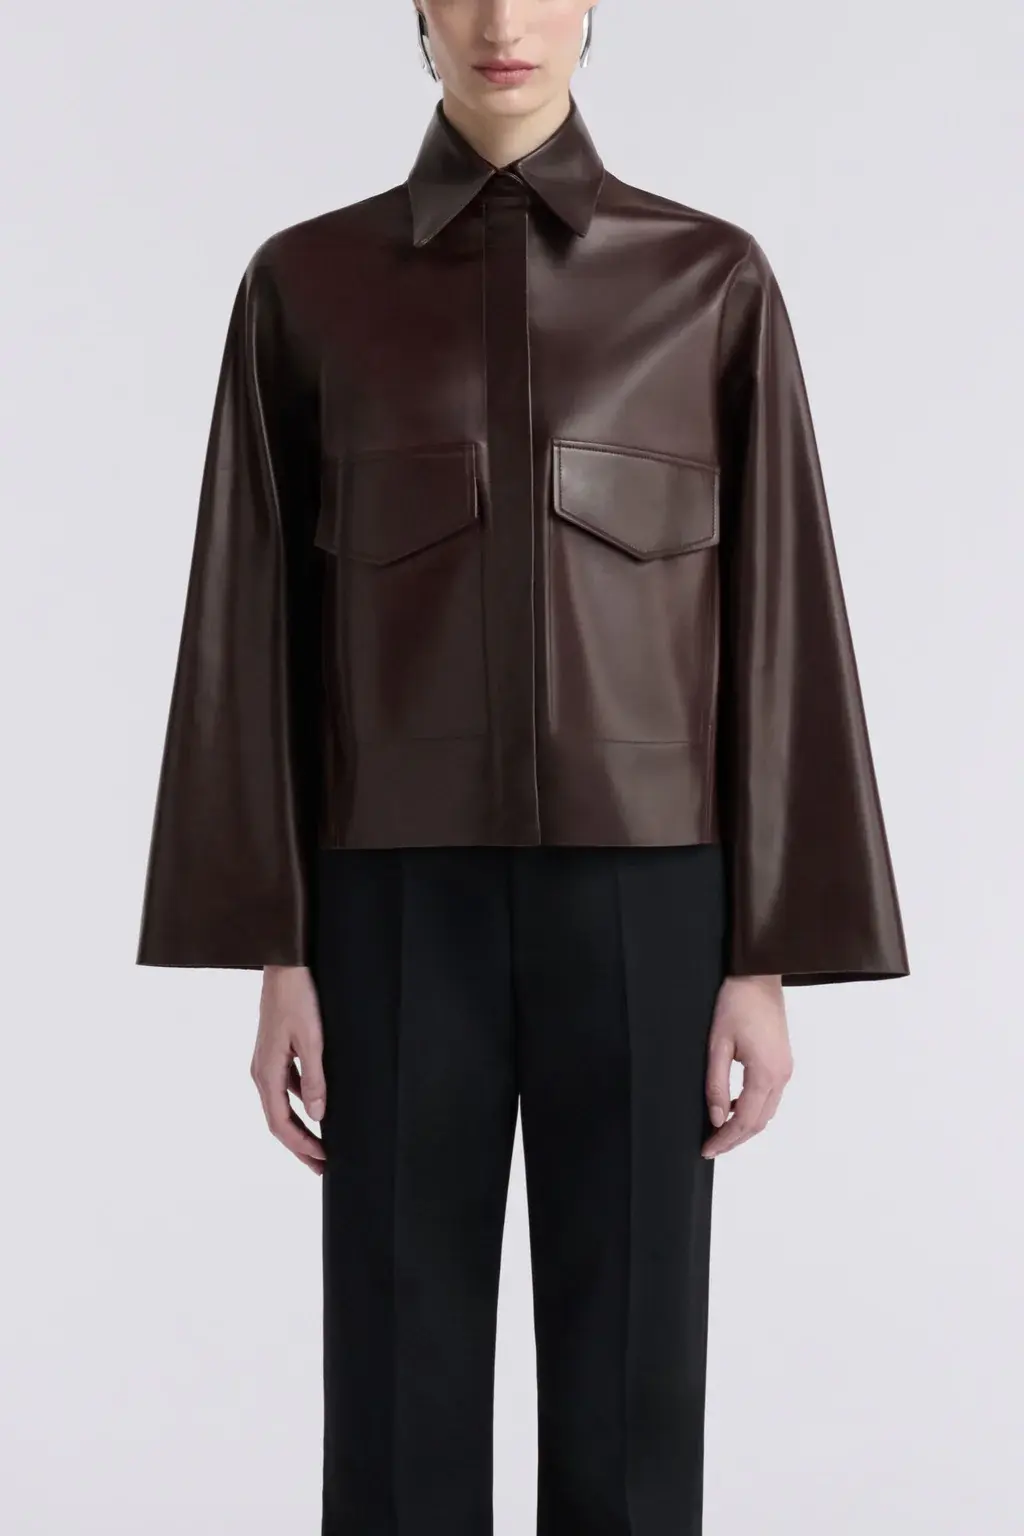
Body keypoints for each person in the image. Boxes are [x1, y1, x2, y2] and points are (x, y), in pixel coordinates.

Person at [136, 2, 910, 1531]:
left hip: (648, 902)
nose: (504, 24)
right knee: (397, 1383)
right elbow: (251, 624)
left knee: (633, 1389)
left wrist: (763, 957)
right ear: (416, 13)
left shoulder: (709, 280)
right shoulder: (307, 286)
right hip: (388, 905)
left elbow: (780, 622)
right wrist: (279, 949)